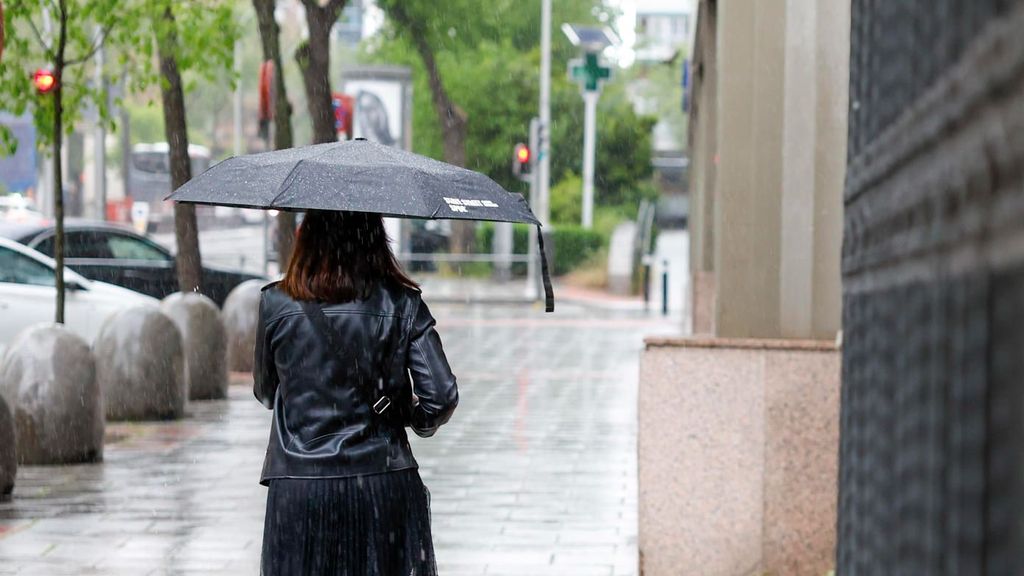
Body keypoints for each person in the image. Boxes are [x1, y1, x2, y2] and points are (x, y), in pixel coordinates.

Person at [254, 210, 458, 575]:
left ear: (308, 240)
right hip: (380, 482)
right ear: (376, 240)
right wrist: (408, 414)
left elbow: (267, 392)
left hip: (301, 488)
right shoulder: (403, 303)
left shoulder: (276, 303)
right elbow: (440, 396)